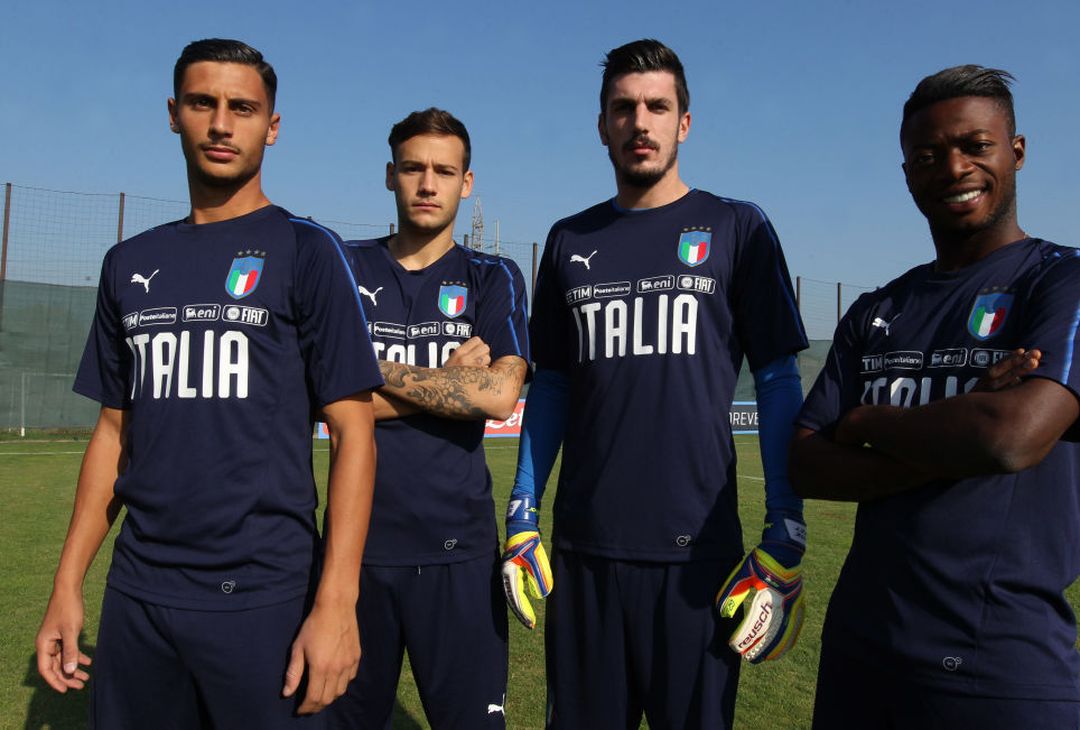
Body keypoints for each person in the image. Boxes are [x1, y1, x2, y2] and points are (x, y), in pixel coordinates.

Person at [33, 38, 382, 727]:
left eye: (243, 108)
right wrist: (67, 583)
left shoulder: (307, 250)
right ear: (174, 114)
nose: (222, 124)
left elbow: (354, 431)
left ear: (271, 127)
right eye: (203, 103)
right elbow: (113, 432)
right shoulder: (130, 261)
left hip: (263, 596)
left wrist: (336, 604)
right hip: (138, 594)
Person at [500, 39, 809, 728]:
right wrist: (523, 510)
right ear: (603, 123)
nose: (641, 122)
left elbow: (778, 378)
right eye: (624, 107)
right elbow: (550, 386)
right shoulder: (567, 239)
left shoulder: (737, 226)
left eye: (657, 107)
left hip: (699, 561)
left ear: (684, 123)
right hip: (585, 554)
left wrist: (785, 529)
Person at [791, 65, 1080, 728]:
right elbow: (806, 462)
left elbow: (1011, 439)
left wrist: (868, 421)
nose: (953, 168)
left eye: (974, 146)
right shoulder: (878, 308)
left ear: (1017, 151)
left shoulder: (1060, 282)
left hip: (1001, 664)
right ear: (907, 173)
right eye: (927, 156)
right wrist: (960, 419)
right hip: (862, 655)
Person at [328, 108, 529, 730]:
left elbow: (498, 395)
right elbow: (317, 397)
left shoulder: (493, 275)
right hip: (353, 553)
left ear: (467, 183)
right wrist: (447, 379)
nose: (427, 183)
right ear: (391, 175)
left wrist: (363, 369)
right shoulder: (342, 266)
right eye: (413, 168)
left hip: (459, 556)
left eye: (444, 171)